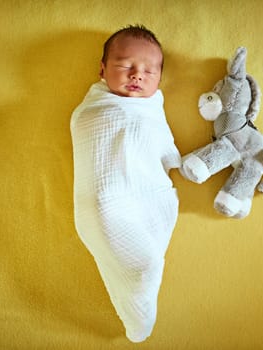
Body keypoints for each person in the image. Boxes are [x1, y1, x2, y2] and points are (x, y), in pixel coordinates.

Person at [70, 25, 180, 342]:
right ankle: (138, 316)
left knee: (145, 264)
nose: (137, 75)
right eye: (125, 65)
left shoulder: (152, 110)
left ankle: (136, 315)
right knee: (144, 265)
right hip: (101, 202)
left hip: (142, 199)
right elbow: (86, 130)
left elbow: (161, 145)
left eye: (149, 70)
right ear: (102, 69)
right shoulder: (92, 111)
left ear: (159, 79)